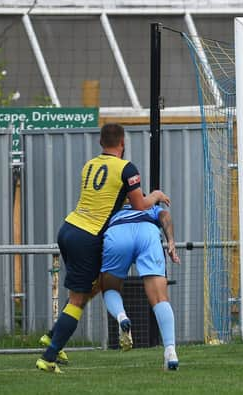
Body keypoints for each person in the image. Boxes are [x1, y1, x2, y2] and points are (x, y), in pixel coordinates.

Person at [36, 123, 170, 373]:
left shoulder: (90, 165)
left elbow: (103, 199)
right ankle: (49, 356)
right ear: (123, 143)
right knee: (79, 298)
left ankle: (53, 335)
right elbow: (140, 205)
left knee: (94, 285)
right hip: (87, 236)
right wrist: (156, 195)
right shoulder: (126, 168)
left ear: (100, 143)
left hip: (68, 228)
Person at [100, 203, 180, 371]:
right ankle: (170, 351)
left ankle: (122, 316)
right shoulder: (148, 205)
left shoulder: (111, 206)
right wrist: (170, 240)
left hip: (118, 232)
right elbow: (165, 215)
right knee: (159, 298)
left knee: (110, 288)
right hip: (147, 232)